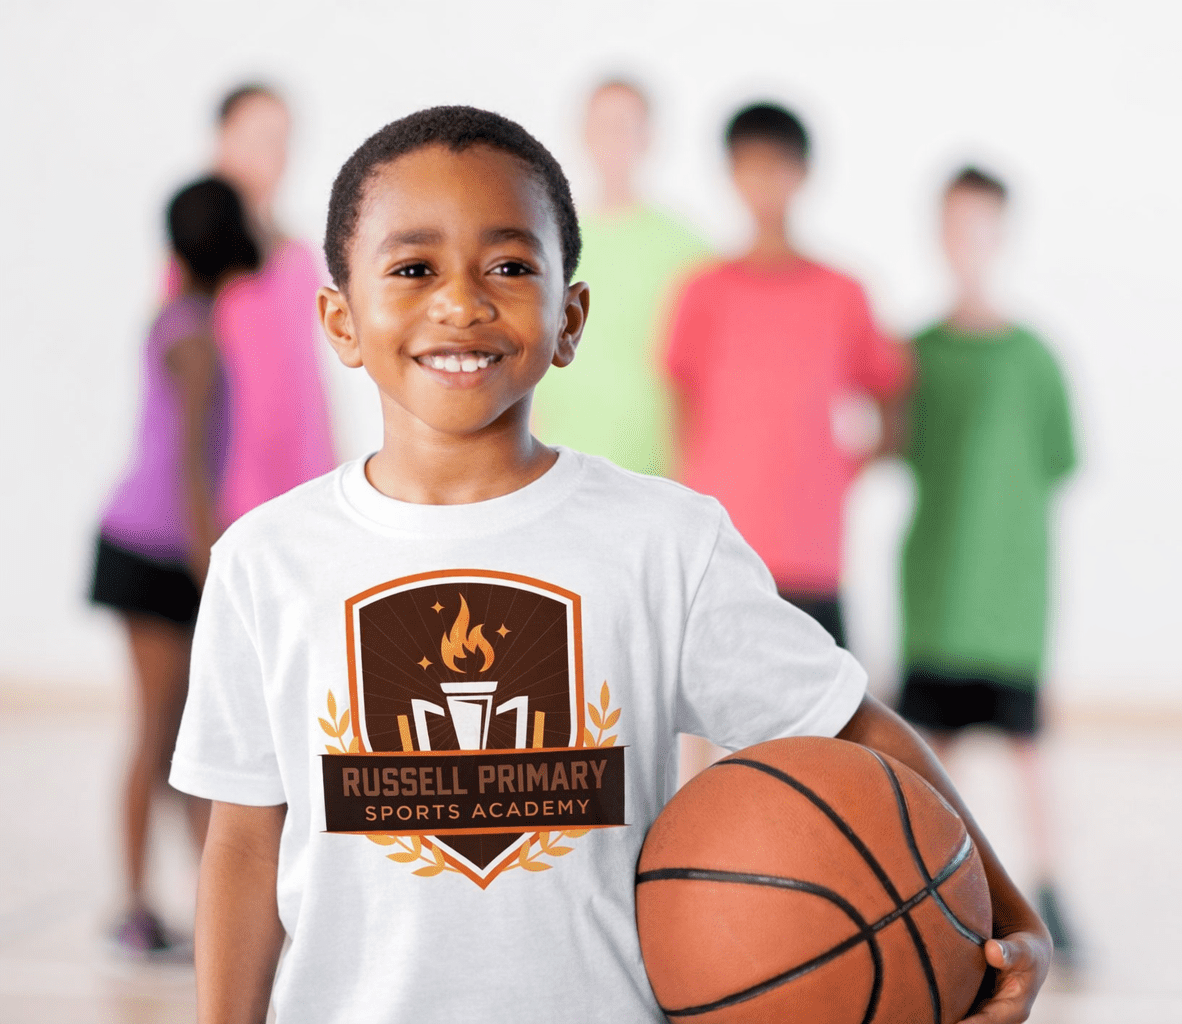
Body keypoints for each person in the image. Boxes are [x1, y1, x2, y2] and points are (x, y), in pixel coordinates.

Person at [168, 105, 1050, 1023]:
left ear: (571, 317)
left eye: (509, 266)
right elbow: (244, 839)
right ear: (342, 322)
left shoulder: (665, 542)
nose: (461, 300)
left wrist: (1012, 911)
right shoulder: (266, 561)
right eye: (413, 267)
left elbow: (848, 724)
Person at [896, 167, 1080, 962]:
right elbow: (888, 445)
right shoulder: (913, 355)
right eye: (954, 226)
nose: (967, 244)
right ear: (938, 235)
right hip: (937, 594)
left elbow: (1057, 465)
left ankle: (1055, 895)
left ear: (1002, 236)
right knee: (923, 766)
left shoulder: (1035, 359)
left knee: (1030, 755)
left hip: (1010, 605)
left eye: (981, 227)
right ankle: (918, 898)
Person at [665, 102, 908, 648]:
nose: (763, 186)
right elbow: (682, 405)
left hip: (813, 552)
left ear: (803, 175)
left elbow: (890, 393)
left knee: (826, 718)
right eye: (748, 168)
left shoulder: (845, 293)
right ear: (729, 176)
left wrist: (845, 471)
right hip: (725, 545)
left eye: (776, 168)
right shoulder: (703, 291)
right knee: (706, 707)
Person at [93, 177, 260, 955]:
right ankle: (139, 908)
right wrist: (215, 572)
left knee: (175, 741)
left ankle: (198, 907)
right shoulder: (192, 336)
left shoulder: (181, 320)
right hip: (158, 553)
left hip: (146, 545)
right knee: (164, 736)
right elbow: (193, 473)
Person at [171, 84, 335, 522]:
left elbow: (311, 381)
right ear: (222, 140)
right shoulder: (195, 259)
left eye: (281, 140)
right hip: (229, 497)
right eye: (255, 137)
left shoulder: (298, 257)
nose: (272, 155)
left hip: (301, 486)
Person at [534, 78, 709, 477]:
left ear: (649, 138)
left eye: (625, 125)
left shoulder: (690, 250)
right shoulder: (545, 240)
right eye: (602, 125)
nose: (613, 139)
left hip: (657, 465)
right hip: (558, 459)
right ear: (582, 135)